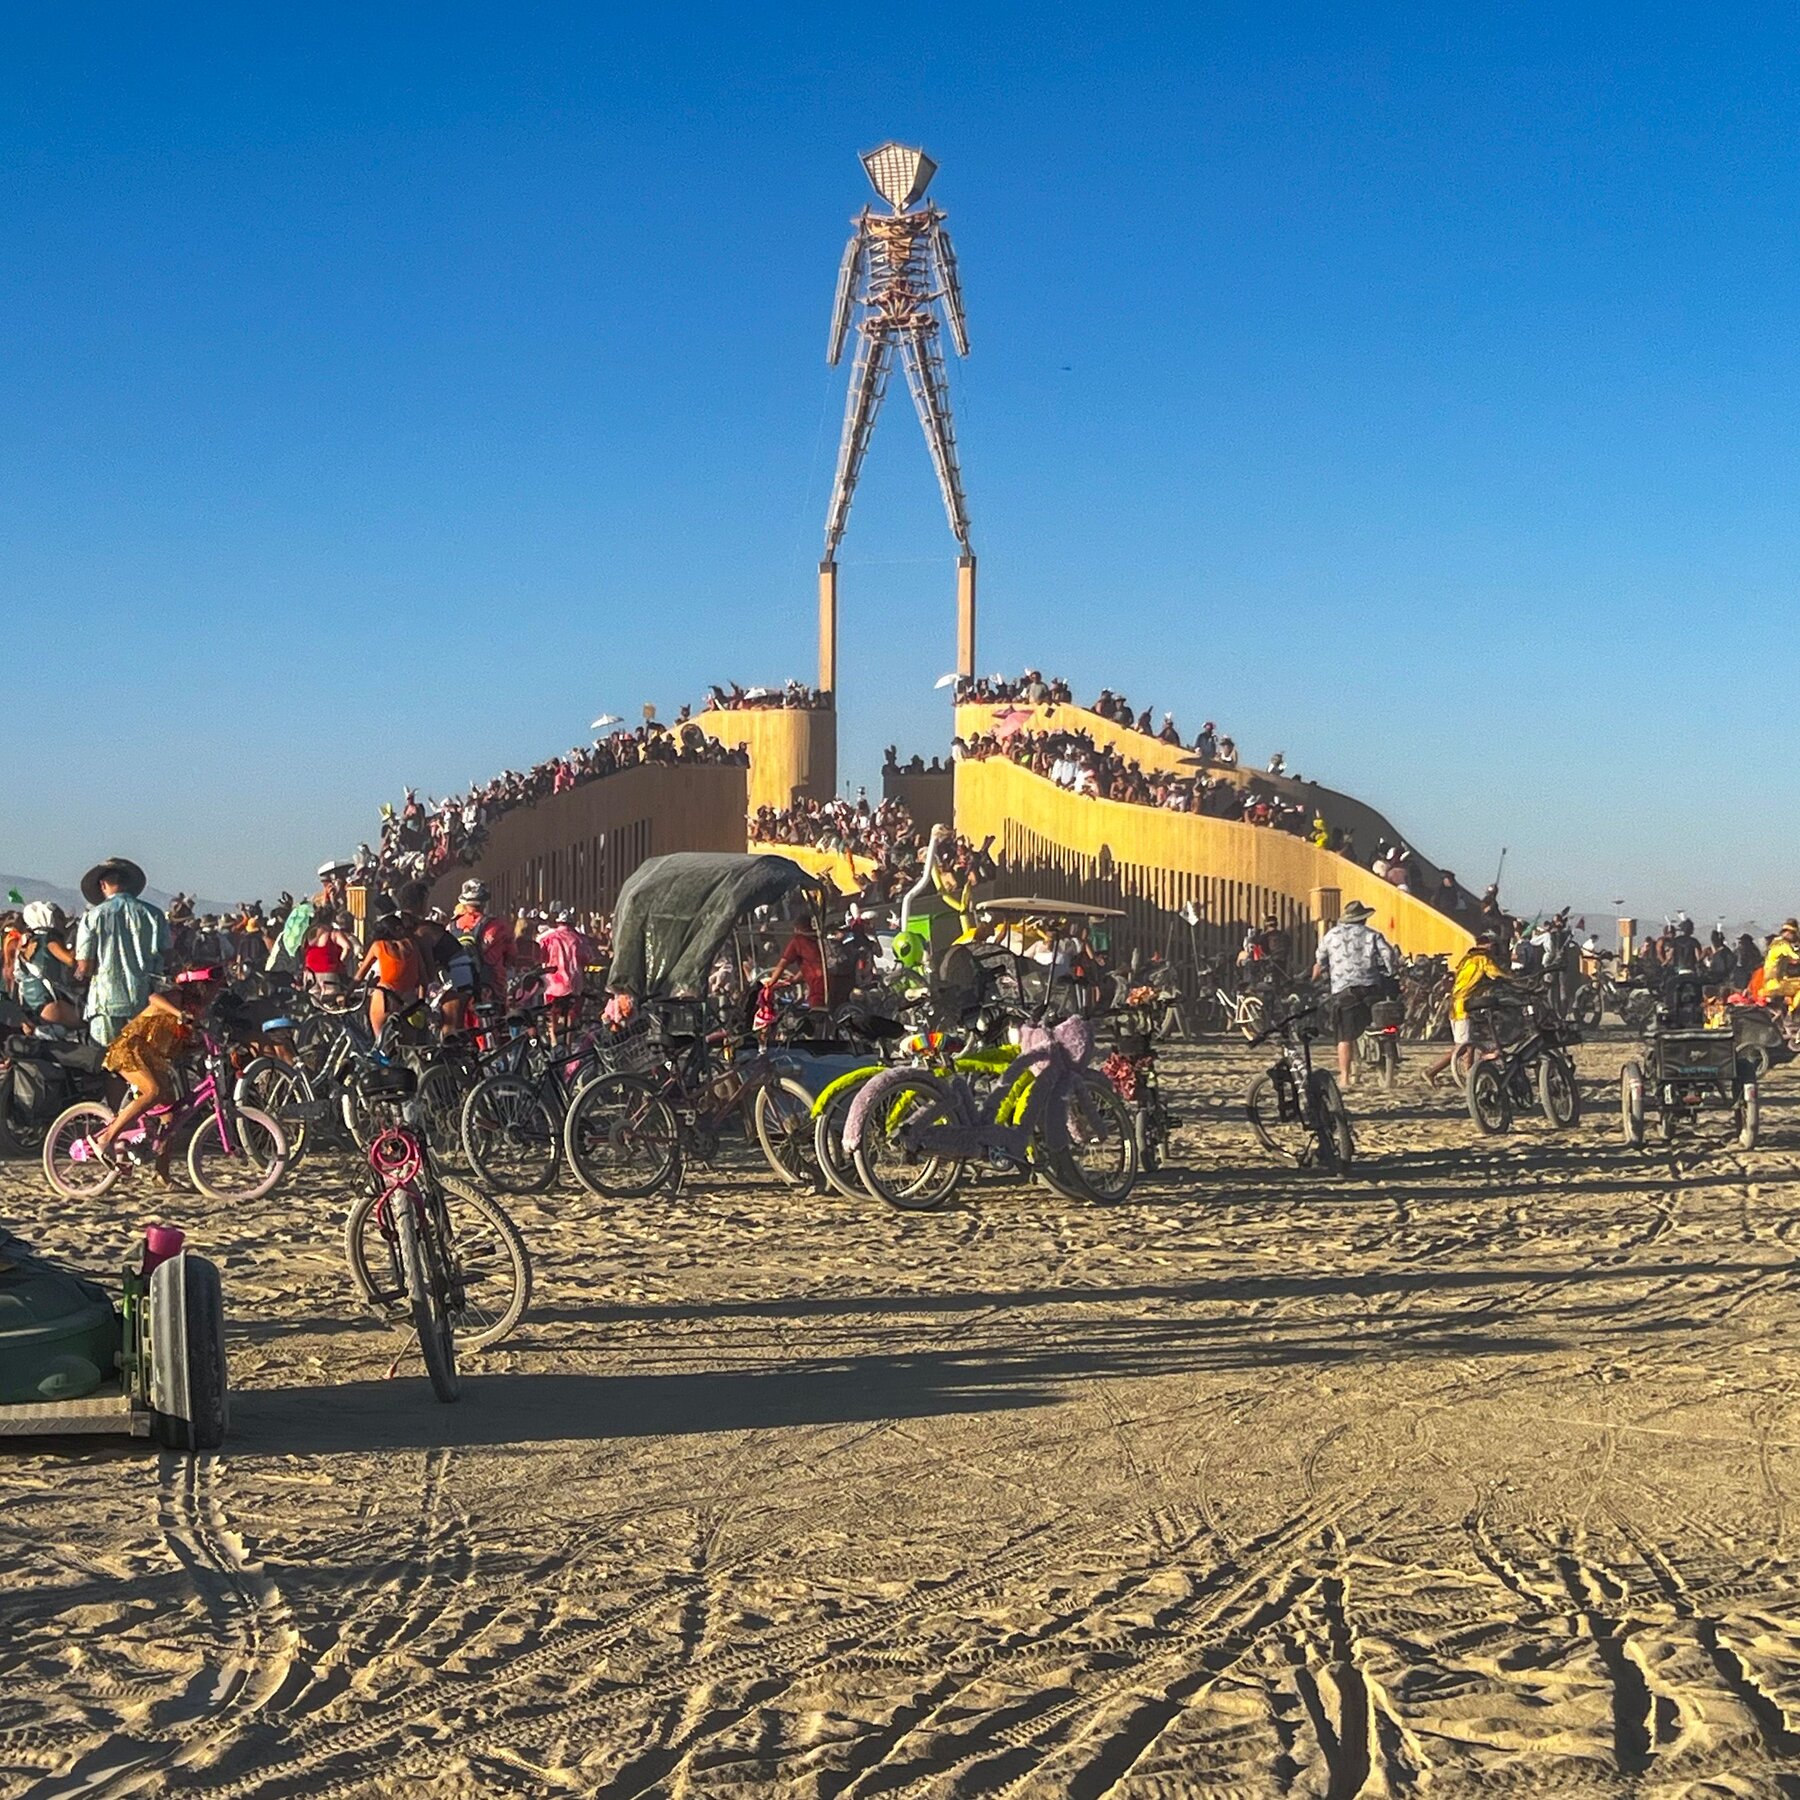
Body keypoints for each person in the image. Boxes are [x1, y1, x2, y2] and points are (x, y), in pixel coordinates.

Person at [93, 966, 220, 1174]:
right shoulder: (178, 998)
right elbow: (154, 998)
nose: (216, 992)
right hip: (131, 1049)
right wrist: (179, 1014)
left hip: (152, 1060)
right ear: (201, 986)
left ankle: (162, 1174)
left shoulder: (194, 1013)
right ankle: (105, 1138)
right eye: (213, 987)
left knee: (171, 1117)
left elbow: (180, 1048)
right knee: (153, 1091)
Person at [74, 858, 169, 1046]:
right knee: (142, 1060)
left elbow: (85, 965)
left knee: (108, 1059)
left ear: (102, 885)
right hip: (146, 999)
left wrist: (78, 975)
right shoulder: (154, 914)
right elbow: (167, 955)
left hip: (106, 1002)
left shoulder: (93, 917)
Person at [1311, 899, 1400, 1087]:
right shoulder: (1373, 935)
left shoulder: (1331, 935)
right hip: (1371, 986)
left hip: (1345, 990)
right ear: (1363, 919)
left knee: (1344, 1036)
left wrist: (1317, 975)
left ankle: (1344, 1077)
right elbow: (1389, 955)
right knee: (1377, 1020)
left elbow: (1320, 959)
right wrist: (1390, 971)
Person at [1424, 931, 1507, 1086]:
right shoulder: (1483, 959)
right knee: (1464, 1046)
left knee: (1466, 1044)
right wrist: (1516, 980)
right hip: (1464, 1005)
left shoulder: (1467, 959)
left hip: (1456, 1004)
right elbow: (1497, 975)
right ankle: (1436, 1071)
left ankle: (1465, 1073)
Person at [354, 912, 423, 1044]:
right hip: (410, 1001)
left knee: (381, 1044)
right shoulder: (412, 945)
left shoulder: (378, 946)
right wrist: (421, 1003)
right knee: (408, 1048)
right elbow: (423, 979)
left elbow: (359, 975)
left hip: (385, 999)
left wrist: (346, 995)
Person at [13, 902, 81, 1030]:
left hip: (32, 1006)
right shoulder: (49, 937)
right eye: (59, 918)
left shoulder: (27, 942)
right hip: (51, 1004)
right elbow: (70, 960)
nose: (62, 923)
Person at [538, 908, 588, 1043]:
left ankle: (554, 1041)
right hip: (574, 983)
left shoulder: (547, 938)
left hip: (553, 983)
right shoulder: (579, 939)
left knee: (551, 1014)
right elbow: (586, 959)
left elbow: (541, 958)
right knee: (572, 1014)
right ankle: (569, 1043)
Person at [1762, 920, 1800, 1014]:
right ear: (1788, 932)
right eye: (1794, 934)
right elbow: (1796, 958)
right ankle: (1792, 1013)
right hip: (1775, 984)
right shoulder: (1783, 944)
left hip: (1772, 981)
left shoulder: (1776, 942)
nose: (1796, 937)